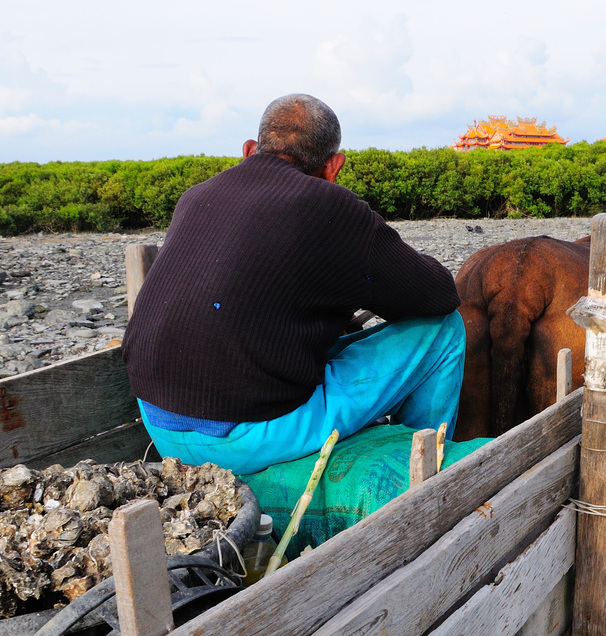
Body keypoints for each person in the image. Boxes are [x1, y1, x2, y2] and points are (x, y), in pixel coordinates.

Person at [123, 94, 465, 477]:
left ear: (250, 150)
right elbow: (438, 296)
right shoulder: (334, 207)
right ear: (334, 166)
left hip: (159, 422)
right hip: (245, 437)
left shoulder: (195, 196)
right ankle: (422, 468)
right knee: (446, 330)